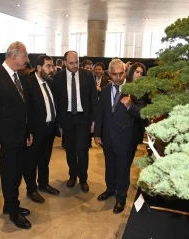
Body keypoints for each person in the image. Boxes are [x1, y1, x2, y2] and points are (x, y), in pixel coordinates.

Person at [0, 41, 33, 229]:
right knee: (9, 176)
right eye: (25, 55)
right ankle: (13, 211)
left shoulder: (19, 77)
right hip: (5, 141)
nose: (27, 60)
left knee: (17, 173)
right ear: (13, 56)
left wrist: (28, 131)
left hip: (20, 137)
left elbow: (24, 110)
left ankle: (10, 204)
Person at [94, 59, 145, 214]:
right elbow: (100, 113)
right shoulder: (105, 89)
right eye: (114, 74)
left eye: (121, 73)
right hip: (108, 137)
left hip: (126, 137)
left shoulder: (135, 90)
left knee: (123, 168)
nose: (118, 77)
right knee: (110, 166)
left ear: (125, 72)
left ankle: (121, 197)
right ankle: (110, 189)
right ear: (109, 73)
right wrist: (97, 133)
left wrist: (130, 106)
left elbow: (142, 114)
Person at [52, 50, 97, 192]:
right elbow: (56, 102)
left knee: (82, 150)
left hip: (83, 118)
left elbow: (93, 99)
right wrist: (58, 123)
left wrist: (94, 120)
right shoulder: (58, 78)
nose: (75, 65)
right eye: (71, 63)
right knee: (70, 149)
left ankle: (83, 178)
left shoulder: (88, 75)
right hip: (67, 119)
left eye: (77, 62)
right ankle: (72, 176)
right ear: (64, 63)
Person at [23, 55, 60, 204]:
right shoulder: (28, 84)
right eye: (48, 66)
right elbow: (24, 111)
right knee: (31, 162)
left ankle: (43, 184)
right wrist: (27, 131)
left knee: (45, 159)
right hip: (34, 131)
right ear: (38, 68)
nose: (52, 70)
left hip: (49, 129)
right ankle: (31, 190)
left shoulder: (49, 83)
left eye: (52, 66)